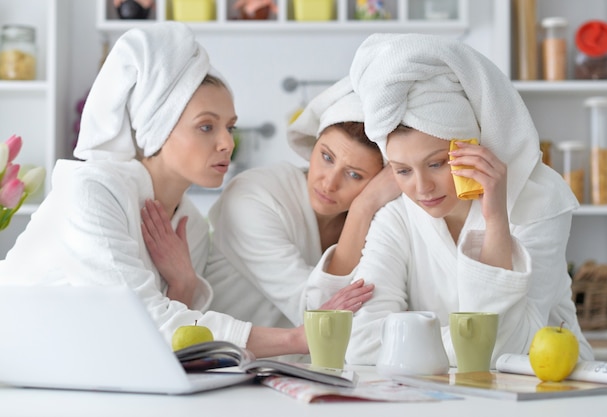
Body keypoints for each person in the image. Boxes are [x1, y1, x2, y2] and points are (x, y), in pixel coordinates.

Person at [0, 22, 364, 359]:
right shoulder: (92, 191)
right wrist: (295, 339)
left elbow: (175, 343)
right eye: (206, 127)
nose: (226, 143)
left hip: (91, 371)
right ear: (157, 126)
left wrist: (184, 283)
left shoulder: (188, 223)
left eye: (230, 128)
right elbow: (140, 324)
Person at [306, 33, 594, 366]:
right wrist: (463, 343)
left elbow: (507, 344)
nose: (422, 188)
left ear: (471, 147)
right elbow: (358, 341)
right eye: (402, 171)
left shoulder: (539, 203)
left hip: (548, 389)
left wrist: (496, 219)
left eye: (436, 163)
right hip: (440, 393)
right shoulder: (397, 216)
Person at [142, 77, 401, 329]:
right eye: (326, 157)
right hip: (229, 362)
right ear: (313, 145)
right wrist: (362, 208)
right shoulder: (253, 196)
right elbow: (320, 315)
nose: (329, 183)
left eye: (354, 174)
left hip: (311, 367)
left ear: (380, 180)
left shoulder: (386, 217)